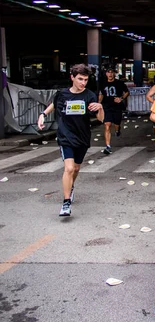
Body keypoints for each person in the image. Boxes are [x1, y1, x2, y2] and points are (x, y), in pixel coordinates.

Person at [37, 64, 104, 217]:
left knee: (76, 168)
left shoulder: (89, 95)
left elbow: (101, 119)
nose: (83, 83)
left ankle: (71, 186)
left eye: (86, 80)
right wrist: (43, 115)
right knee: (69, 168)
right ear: (72, 77)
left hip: (82, 136)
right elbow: (54, 104)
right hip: (65, 136)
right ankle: (66, 203)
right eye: (80, 79)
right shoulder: (62, 94)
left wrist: (100, 107)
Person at [98, 66, 129, 155]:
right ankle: (108, 146)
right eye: (108, 72)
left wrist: (121, 98)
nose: (110, 74)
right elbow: (101, 94)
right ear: (106, 74)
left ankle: (117, 130)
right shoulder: (102, 83)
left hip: (117, 107)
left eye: (112, 72)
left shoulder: (119, 83)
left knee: (116, 124)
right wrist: (98, 104)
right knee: (107, 125)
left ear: (114, 74)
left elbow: (127, 92)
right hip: (106, 106)